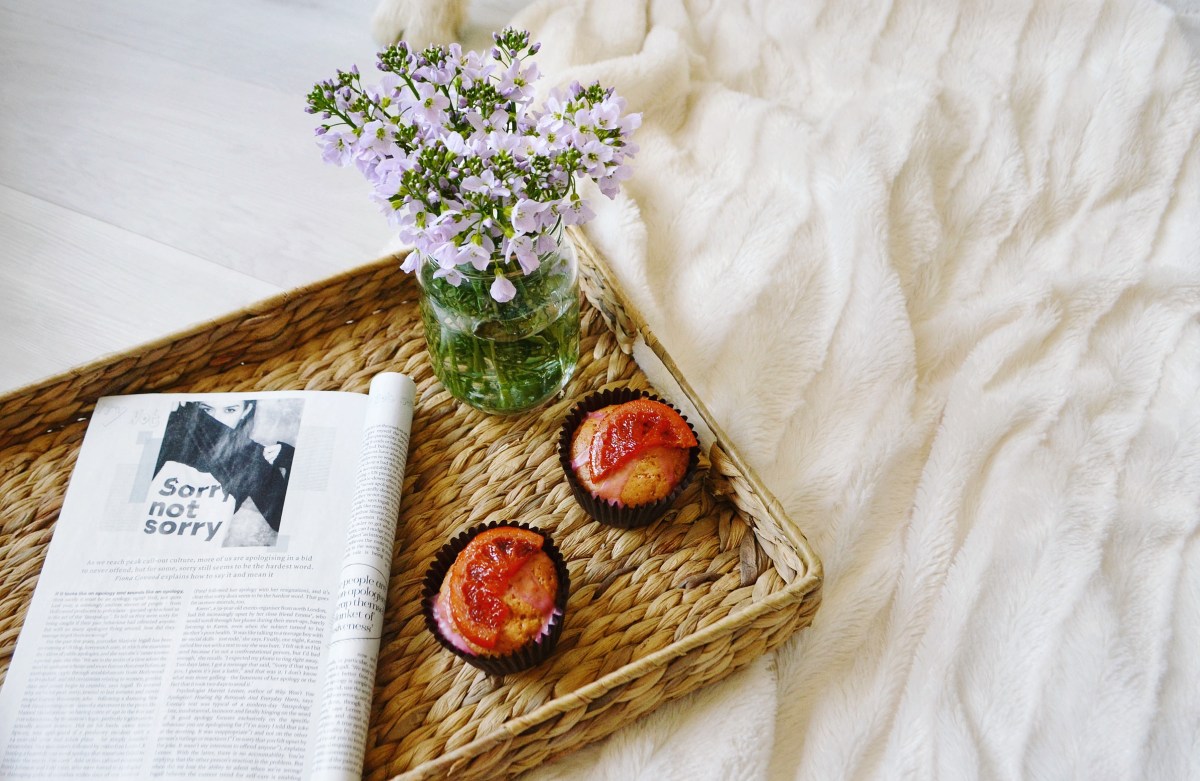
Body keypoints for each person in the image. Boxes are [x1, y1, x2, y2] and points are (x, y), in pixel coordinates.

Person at [152, 399, 295, 543]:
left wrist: (292, 460)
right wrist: (159, 420)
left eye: (230, 410)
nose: (216, 418)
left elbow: (284, 522)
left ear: (246, 411)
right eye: (206, 410)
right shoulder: (173, 435)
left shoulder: (251, 459)